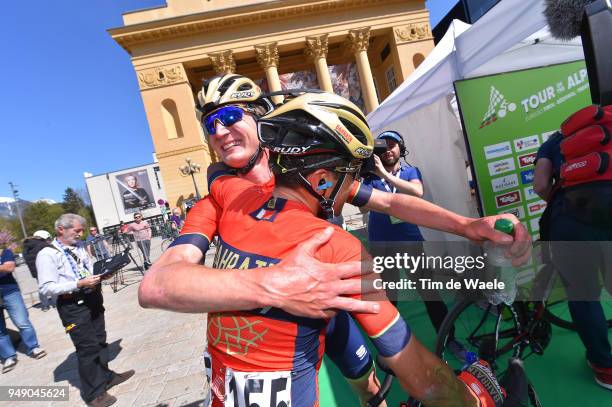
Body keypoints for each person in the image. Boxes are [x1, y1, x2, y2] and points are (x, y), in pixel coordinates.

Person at [140, 75, 529, 404]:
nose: (220, 132)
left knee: (369, 384)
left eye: (227, 117)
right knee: (400, 363)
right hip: (275, 322)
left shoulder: (305, 165)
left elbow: (390, 200)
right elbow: (160, 283)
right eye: (210, 125)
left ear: (261, 119)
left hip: (334, 297)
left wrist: (468, 225)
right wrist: (273, 285)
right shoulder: (222, 193)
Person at [361, 131, 462, 359]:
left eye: (393, 145)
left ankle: (449, 339)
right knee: (389, 299)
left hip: (410, 242)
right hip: (382, 245)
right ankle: (391, 351)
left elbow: (417, 192)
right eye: (383, 145)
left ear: (401, 148)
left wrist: (385, 175)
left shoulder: (410, 171)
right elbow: (363, 209)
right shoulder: (370, 176)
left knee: (430, 294)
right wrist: (370, 176)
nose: (388, 149)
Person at [534, 105, 612, 389]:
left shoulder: (555, 142)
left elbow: (541, 184)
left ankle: (605, 367)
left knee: (584, 295)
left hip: (573, 220)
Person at [37, 214, 135, 407]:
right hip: (72, 305)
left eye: (82, 230)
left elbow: (88, 268)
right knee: (87, 348)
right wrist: (78, 283)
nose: (81, 234)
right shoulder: (47, 254)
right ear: (61, 230)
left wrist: (104, 273)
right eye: (77, 231)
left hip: (92, 298)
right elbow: (46, 288)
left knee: (99, 340)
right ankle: (93, 394)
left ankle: (106, 377)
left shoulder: (79, 247)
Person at [0, 242, 47, 373]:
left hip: (10, 292)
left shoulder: (5, 252)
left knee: (22, 322)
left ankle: (33, 347)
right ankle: (8, 356)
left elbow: (9, 267)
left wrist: (4, 266)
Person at [23, 230, 55, 311]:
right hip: (46, 268)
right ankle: (55, 302)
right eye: (47, 238)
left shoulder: (26, 247)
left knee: (41, 287)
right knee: (54, 284)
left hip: (35, 271)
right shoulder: (42, 245)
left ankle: (45, 305)